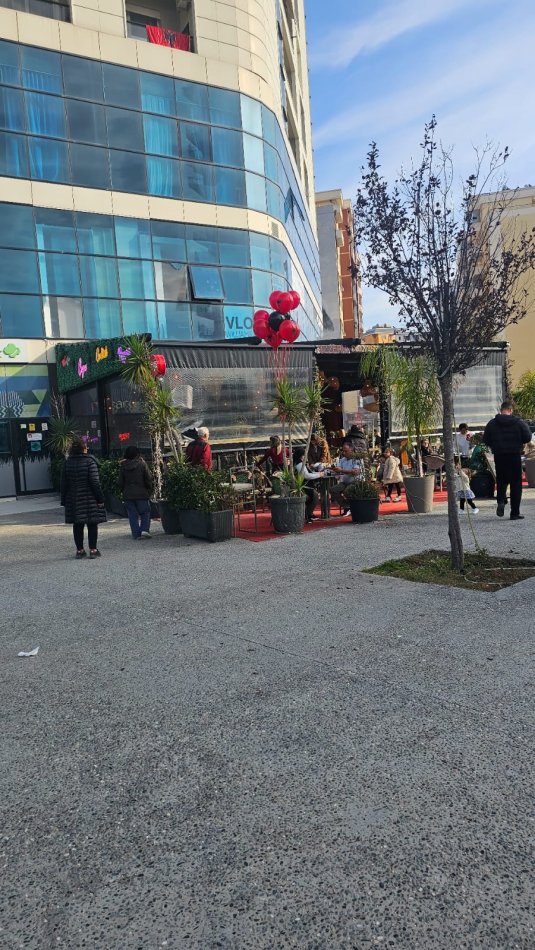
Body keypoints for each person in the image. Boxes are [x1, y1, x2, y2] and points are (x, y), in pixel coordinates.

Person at [484, 400, 532, 520]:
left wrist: (495, 445)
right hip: (514, 456)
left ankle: (501, 501)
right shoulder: (519, 423)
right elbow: (528, 437)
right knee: (516, 485)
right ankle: (514, 513)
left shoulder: (492, 423)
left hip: (499, 456)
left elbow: (486, 439)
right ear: (510, 410)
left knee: (501, 481)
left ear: (501, 410)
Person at [60, 437, 106, 559]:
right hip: (89, 498)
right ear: (84, 449)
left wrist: (63, 500)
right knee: (92, 524)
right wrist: (100, 499)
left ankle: (80, 550)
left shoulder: (67, 463)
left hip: (73, 498)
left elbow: (64, 483)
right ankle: (93, 550)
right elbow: (95, 482)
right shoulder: (90, 461)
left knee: (77, 524)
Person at [119, 445, 154, 540]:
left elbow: (120, 481)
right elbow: (148, 478)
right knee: (145, 512)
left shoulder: (123, 465)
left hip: (128, 494)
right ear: (137, 454)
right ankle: (144, 530)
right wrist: (149, 489)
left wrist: (122, 491)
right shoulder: (142, 464)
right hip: (142, 493)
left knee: (132, 515)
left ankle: (136, 533)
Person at [330, 443, 365, 513]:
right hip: (345, 482)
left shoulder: (357, 459)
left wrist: (342, 470)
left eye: (346, 451)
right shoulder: (343, 459)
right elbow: (339, 469)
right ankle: (347, 506)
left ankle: (352, 507)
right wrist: (334, 469)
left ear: (352, 450)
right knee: (333, 490)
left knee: (347, 491)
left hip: (356, 482)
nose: (344, 453)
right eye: (343, 451)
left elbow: (356, 472)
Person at [294, 448, 324, 522]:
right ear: (301, 456)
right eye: (304, 455)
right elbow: (307, 476)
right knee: (315, 496)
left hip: (303, 485)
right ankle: (308, 514)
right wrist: (319, 475)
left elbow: (308, 473)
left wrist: (318, 474)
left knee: (314, 496)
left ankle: (309, 513)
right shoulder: (300, 464)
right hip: (304, 486)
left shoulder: (298, 463)